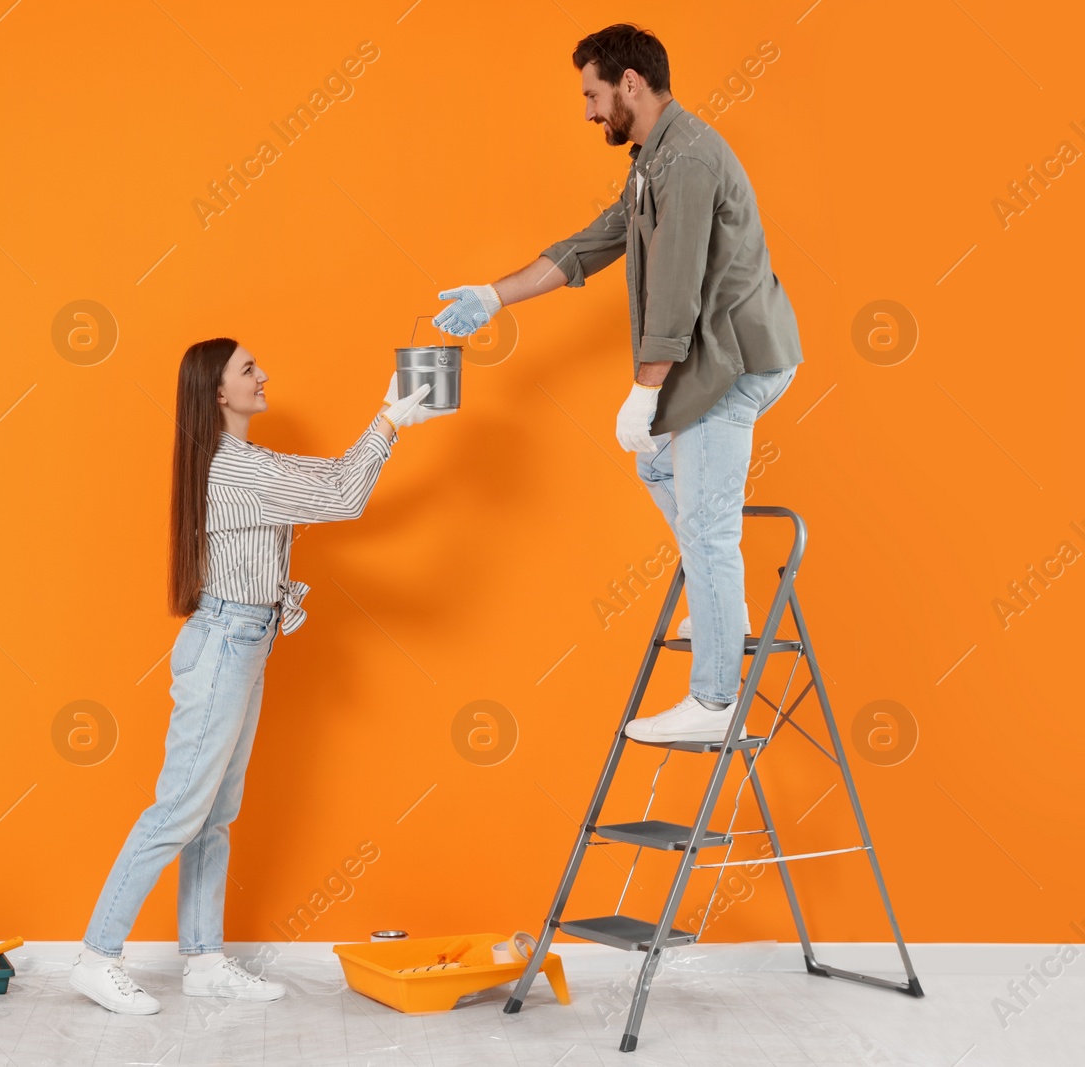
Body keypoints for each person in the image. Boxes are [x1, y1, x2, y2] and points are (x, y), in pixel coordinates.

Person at [433, 23, 802, 744]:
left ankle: (717, 702)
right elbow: (597, 240)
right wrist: (494, 294)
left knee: (708, 526)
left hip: (734, 362)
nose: (588, 112)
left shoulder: (688, 162)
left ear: (630, 83)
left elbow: (674, 291)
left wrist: (644, 390)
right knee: (657, 462)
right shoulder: (651, 161)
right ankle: (724, 609)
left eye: (593, 95)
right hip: (715, 359)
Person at [70, 338, 453, 1014]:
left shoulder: (246, 460)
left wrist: (388, 424)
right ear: (218, 393)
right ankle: (97, 956)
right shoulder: (231, 469)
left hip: (244, 641)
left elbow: (334, 476)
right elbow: (342, 495)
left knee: (215, 812)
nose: (264, 373)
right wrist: (389, 420)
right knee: (180, 808)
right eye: (248, 369)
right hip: (224, 644)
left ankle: (203, 959)